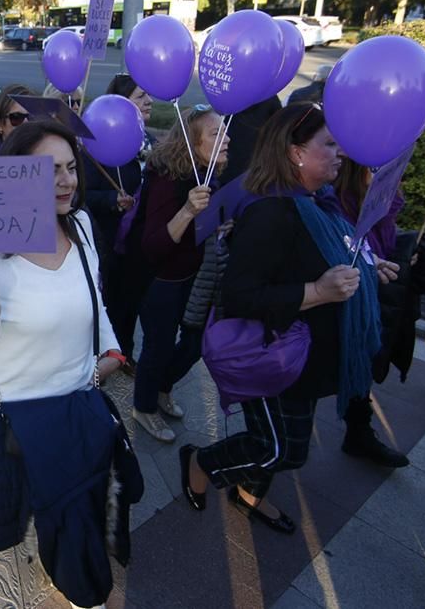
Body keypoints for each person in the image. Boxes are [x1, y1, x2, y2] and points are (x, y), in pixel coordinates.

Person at [0, 119, 139, 609]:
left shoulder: (83, 227)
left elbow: (95, 303)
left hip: (75, 403)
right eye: (50, 171)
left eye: (71, 168)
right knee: (9, 509)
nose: (67, 181)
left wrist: (109, 353)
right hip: (10, 417)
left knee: (72, 499)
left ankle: (73, 576)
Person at [178, 102, 396, 535]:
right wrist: (316, 292)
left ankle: (248, 493)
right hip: (271, 351)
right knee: (283, 450)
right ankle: (201, 461)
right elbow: (240, 295)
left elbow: (327, 255)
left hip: (304, 356)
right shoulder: (271, 212)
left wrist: (370, 268)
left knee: (281, 443)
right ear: (296, 152)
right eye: (329, 144)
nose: (342, 153)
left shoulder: (319, 202)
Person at [129, 106, 225, 442]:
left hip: (197, 276)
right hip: (162, 281)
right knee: (158, 345)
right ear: (192, 142)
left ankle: (161, 387)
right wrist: (188, 210)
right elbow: (154, 246)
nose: (228, 139)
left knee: (196, 342)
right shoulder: (168, 179)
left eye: (226, 131)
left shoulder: (209, 171)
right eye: (217, 134)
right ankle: (143, 406)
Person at [332, 158, 411, 468]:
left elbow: (382, 241)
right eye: (380, 169)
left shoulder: (380, 204)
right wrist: (370, 263)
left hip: (369, 299)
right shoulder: (338, 204)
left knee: (361, 363)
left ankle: (359, 432)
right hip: (343, 299)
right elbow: (346, 247)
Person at [85, 73, 156, 369]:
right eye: (141, 96)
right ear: (120, 104)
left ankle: (124, 353)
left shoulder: (148, 139)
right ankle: (103, 354)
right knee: (110, 301)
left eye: (148, 95)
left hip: (140, 238)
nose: (149, 101)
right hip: (110, 239)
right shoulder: (97, 142)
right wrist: (112, 201)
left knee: (131, 303)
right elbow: (83, 193)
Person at [218, 95, 284, 185]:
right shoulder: (270, 96)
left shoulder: (236, 92)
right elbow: (279, 130)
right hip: (251, 158)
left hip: (229, 149)